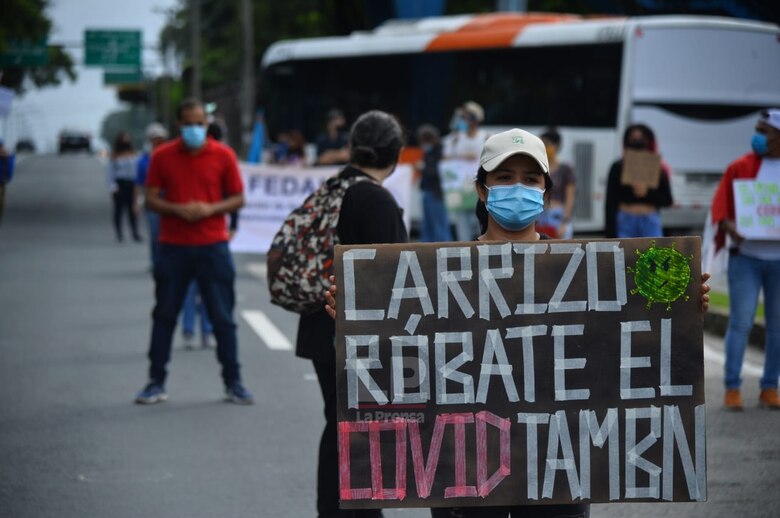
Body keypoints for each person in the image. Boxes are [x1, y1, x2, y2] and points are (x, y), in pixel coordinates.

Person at [325, 128, 712, 518]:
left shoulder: (577, 269)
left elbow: (619, 349)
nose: (518, 188)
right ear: (482, 189)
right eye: (504, 178)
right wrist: (360, 314)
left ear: (546, 189)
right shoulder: (439, 272)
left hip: (557, 469)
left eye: (530, 179)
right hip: (468, 469)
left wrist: (680, 308)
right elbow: (404, 360)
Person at [298, 110, 407, 518]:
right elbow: (396, 275)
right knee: (363, 433)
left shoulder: (332, 186)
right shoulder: (375, 198)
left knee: (338, 426)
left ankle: (332, 510)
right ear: (394, 153)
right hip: (355, 335)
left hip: (318, 326)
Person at [134, 97, 253, 405]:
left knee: (223, 318)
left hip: (213, 246)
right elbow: (150, 199)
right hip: (173, 247)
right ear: (179, 125)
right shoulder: (162, 156)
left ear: (206, 124)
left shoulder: (223, 155)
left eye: (199, 124)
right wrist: (177, 209)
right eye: (188, 124)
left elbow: (238, 198)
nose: (194, 129)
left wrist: (210, 208)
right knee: (164, 316)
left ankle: (234, 382)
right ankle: (155, 382)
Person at [711, 108, 780, 411]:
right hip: (746, 258)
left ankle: (769, 386)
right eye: (757, 129)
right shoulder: (739, 166)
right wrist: (731, 228)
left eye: (764, 131)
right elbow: (721, 210)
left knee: (777, 326)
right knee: (740, 322)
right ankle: (732, 386)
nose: (758, 136)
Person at [604, 123, 673, 238]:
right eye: (633, 139)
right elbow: (610, 202)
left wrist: (648, 193)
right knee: (626, 255)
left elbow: (667, 200)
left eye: (641, 138)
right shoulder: (618, 167)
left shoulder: (657, 168)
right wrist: (610, 233)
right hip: (626, 220)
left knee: (653, 255)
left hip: (649, 220)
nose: (637, 142)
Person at [443, 101, 489, 241]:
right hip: (460, 188)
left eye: (465, 117)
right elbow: (445, 159)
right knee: (461, 223)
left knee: (479, 219)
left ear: (474, 119)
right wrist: (461, 157)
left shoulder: (486, 137)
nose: (462, 120)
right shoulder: (455, 138)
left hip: (479, 187)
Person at [135, 123, 169, 267]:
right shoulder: (144, 160)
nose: (158, 142)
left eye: (160, 139)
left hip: (171, 202)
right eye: (154, 139)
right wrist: (136, 201)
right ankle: (156, 262)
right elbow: (138, 183)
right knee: (156, 234)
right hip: (153, 204)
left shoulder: (171, 157)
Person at [536, 129, 576, 239]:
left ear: (556, 146)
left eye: (547, 144)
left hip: (557, 217)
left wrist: (565, 221)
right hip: (539, 217)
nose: (544, 147)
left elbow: (570, 198)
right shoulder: (539, 169)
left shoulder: (565, 169)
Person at [417, 123, 452, 242]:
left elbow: (437, 172)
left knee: (439, 224)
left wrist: (422, 168)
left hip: (436, 192)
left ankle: (443, 248)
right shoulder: (429, 152)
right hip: (428, 191)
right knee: (428, 224)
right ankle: (427, 250)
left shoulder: (440, 152)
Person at [107, 131, 141, 242]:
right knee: (119, 210)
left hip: (132, 184)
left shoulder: (133, 154)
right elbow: (110, 172)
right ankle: (119, 233)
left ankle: (135, 232)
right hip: (120, 184)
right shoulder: (115, 156)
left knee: (133, 209)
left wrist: (138, 184)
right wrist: (113, 186)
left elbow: (137, 170)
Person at [0, 138, 15, 226]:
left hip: (2, 180)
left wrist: (6, 157)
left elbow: (10, 168)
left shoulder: (6, 156)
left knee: (1, 202)